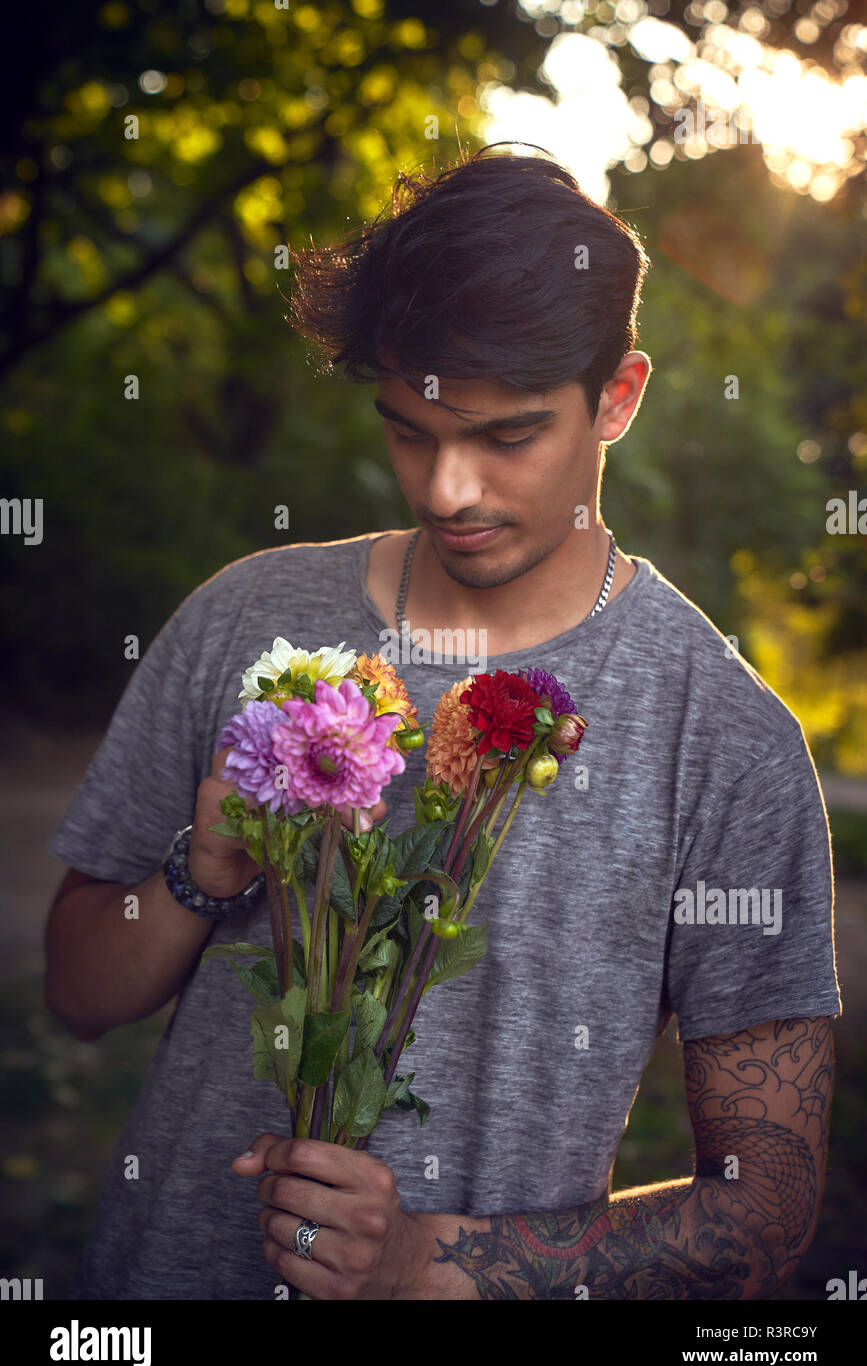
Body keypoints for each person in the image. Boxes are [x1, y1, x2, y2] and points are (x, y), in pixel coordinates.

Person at [45, 147, 840, 1301]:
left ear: (618, 396)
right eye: (410, 430)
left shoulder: (726, 738)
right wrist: (202, 870)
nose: (446, 489)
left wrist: (430, 1262)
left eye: (507, 436)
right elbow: (74, 995)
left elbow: (766, 1207)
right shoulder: (247, 618)